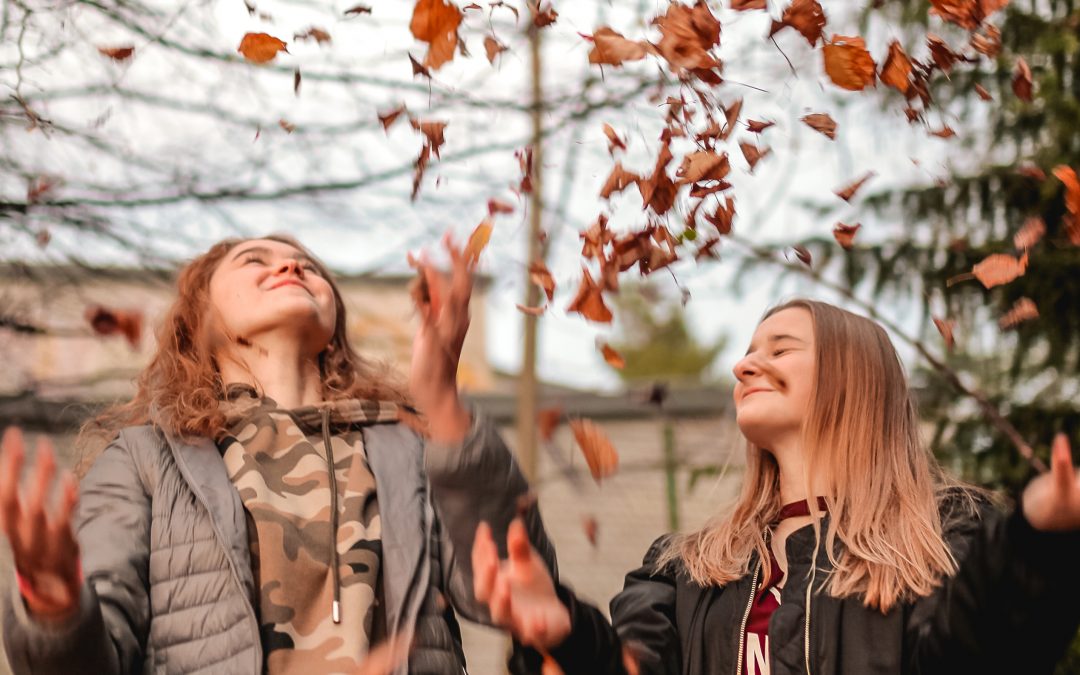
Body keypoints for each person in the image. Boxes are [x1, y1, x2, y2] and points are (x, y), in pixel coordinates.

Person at [0, 234, 556, 675]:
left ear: (335, 324)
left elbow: (524, 590)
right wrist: (53, 605)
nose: (292, 268)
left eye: (308, 266)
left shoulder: (409, 446)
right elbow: (91, 661)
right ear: (200, 323)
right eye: (254, 260)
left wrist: (445, 409)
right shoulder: (147, 458)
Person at [472, 299, 1080, 675]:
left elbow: (981, 658)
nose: (744, 366)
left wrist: (1037, 537)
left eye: (780, 348)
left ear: (853, 379)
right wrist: (563, 636)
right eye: (746, 353)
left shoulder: (945, 537)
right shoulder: (684, 571)